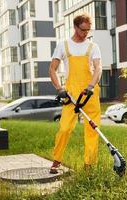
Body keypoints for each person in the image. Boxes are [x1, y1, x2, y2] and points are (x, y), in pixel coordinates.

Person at [49, 13, 102, 174]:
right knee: (64, 128)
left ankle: (89, 165)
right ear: (75, 27)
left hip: (90, 93)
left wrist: (91, 85)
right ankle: (56, 160)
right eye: (83, 30)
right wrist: (59, 89)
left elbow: (98, 68)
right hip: (71, 94)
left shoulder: (93, 46)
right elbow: (52, 69)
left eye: (88, 30)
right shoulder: (63, 45)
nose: (86, 33)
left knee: (92, 130)